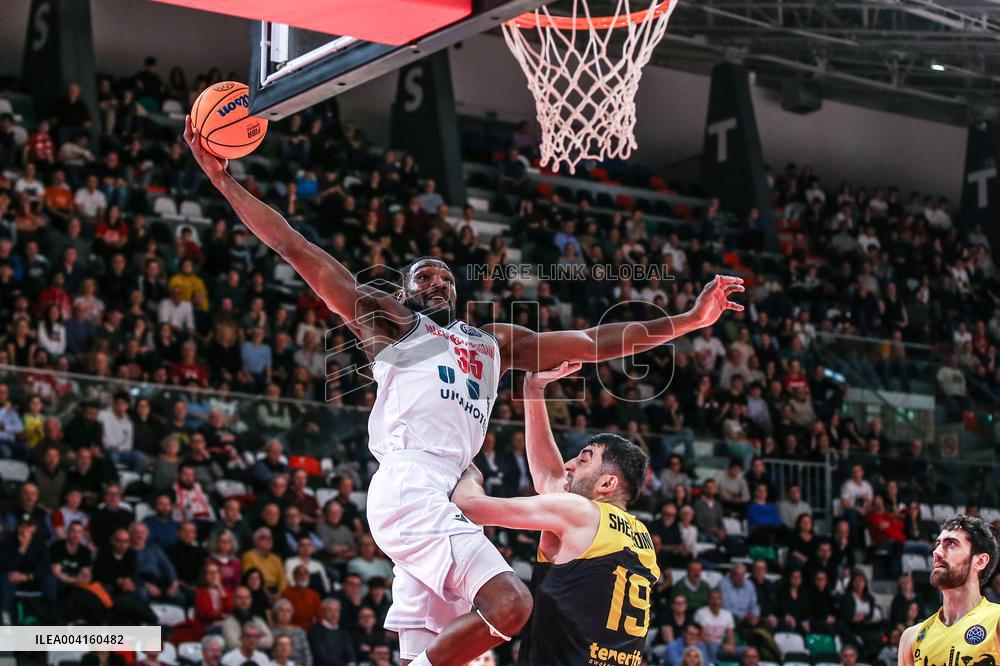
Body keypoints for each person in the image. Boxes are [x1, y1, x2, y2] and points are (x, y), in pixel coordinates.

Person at [184, 114, 744, 666]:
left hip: (451, 492)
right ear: (401, 291)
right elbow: (296, 249)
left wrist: (687, 322)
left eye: (445, 277)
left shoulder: (491, 342)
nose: (437, 283)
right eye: (423, 277)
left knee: (457, 653)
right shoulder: (391, 325)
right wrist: (223, 180)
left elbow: (593, 341)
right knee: (509, 604)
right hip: (412, 483)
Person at [452, 362, 659, 666]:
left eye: (584, 461)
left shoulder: (581, 513)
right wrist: (534, 389)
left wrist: (468, 472)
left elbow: (469, 507)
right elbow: (550, 478)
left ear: (606, 483)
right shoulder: (641, 536)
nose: (569, 465)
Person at [899, 515, 1000, 666]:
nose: (937, 552)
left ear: (980, 561)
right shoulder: (911, 637)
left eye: (951, 544)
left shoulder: (996, 620)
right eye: (938, 544)